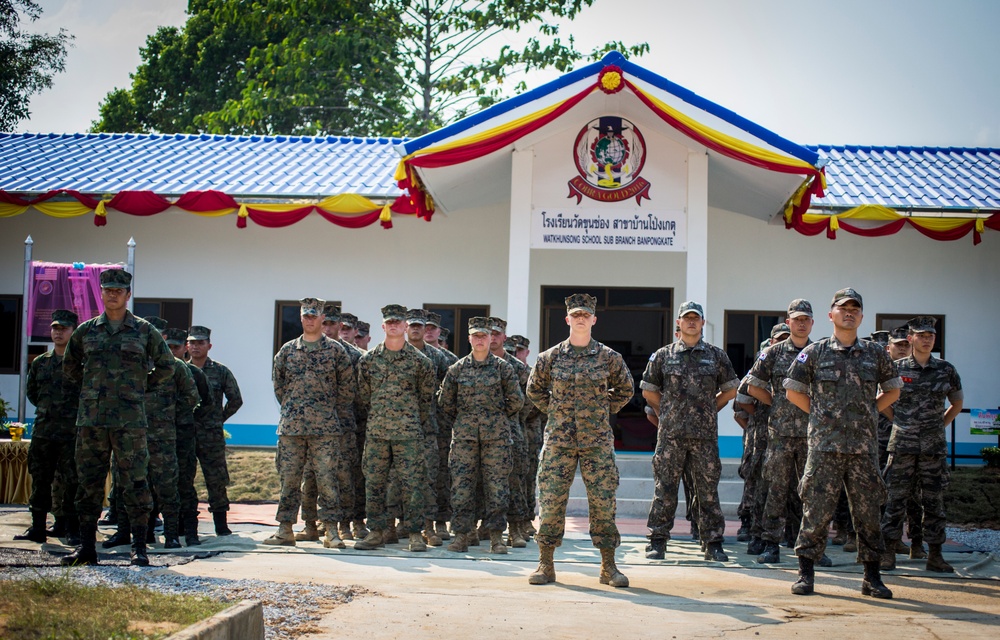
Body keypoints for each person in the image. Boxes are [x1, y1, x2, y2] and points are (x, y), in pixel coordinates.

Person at [784, 287, 902, 598]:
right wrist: (821, 416)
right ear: (831, 314)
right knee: (816, 510)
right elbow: (792, 391)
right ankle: (806, 573)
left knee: (868, 512)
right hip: (824, 448)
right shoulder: (816, 352)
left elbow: (893, 391)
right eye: (843, 307)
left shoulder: (876, 354)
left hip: (863, 449)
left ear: (861, 316)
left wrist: (867, 412)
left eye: (855, 308)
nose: (849, 312)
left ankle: (872, 577)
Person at [61, 268, 176, 566]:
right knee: (88, 482)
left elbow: (166, 366)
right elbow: (70, 366)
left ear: (128, 294)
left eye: (118, 290)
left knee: (135, 482)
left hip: (130, 422)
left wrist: (138, 388)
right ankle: (87, 546)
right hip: (92, 421)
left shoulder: (144, 331)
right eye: (107, 289)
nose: (112, 294)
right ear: (101, 292)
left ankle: (139, 547)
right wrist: (91, 390)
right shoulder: (86, 331)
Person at [526, 293, 633, 588]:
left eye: (586, 315)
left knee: (603, 502)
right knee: (550, 501)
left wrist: (601, 408)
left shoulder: (609, 358)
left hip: (596, 441)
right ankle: (545, 564)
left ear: (594, 319)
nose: (581, 319)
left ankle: (608, 567)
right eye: (576, 315)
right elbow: (534, 390)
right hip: (559, 441)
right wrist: (557, 410)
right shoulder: (549, 358)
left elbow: (625, 389)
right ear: (568, 319)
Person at [642, 301, 738, 563]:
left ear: (703, 323)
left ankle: (713, 543)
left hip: (704, 437)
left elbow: (730, 390)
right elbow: (649, 391)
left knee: (707, 490)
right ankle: (658, 540)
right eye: (687, 318)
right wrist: (668, 414)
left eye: (696, 318)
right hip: (670, 437)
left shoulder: (717, 356)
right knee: (665, 488)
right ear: (679, 323)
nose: (692, 322)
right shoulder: (663, 356)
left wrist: (708, 409)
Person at [265, 298, 354, 548]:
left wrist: (324, 410)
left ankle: (331, 531)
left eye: (314, 316)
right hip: (292, 428)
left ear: (321, 318)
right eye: (306, 316)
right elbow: (279, 387)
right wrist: (296, 409)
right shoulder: (287, 351)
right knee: (290, 479)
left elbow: (347, 390)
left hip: (325, 430)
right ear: (301, 318)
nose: (310, 320)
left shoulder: (336, 351)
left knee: (328, 480)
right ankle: (285, 529)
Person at [880, 316, 963, 573]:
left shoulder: (946, 369)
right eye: (921, 335)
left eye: (931, 336)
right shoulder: (896, 368)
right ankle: (888, 552)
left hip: (933, 447)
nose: (927, 340)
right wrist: (900, 423)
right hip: (902, 444)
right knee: (895, 500)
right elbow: (881, 402)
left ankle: (935, 555)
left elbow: (957, 403)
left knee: (934, 501)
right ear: (910, 339)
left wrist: (939, 426)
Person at [354, 304, 436, 552]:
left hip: (408, 433)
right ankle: (376, 531)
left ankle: (414, 533)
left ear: (405, 326)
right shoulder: (368, 361)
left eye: (398, 322)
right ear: (383, 326)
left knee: (413, 484)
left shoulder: (420, 362)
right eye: (389, 322)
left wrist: (409, 419)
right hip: (377, 432)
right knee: (374, 484)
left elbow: (425, 399)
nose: (393, 326)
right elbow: (364, 395)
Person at [437, 316, 524, 553]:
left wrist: (495, 417)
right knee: (462, 489)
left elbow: (516, 400)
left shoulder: (503, 368)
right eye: (475, 336)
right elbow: (445, 403)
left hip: (496, 439)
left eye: (484, 336)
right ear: (469, 339)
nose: (480, 340)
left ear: (490, 338)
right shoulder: (456, 370)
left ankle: (496, 536)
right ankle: (462, 536)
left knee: (497, 488)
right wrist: (464, 420)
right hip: (464, 439)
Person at [748, 300, 815, 565]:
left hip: (813, 433)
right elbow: (753, 386)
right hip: (781, 434)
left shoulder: (819, 352)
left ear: (812, 323)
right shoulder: (773, 353)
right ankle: (770, 544)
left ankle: (809, 546)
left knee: (811, 492)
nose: (800, 323)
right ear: (788, 322)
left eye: (805, 319)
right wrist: (776, 402)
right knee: (775, 490)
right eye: (796, 319)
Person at [16, 309, 81, 546]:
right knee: (41, 480)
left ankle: (71, 528)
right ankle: (37, 527)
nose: (58, 332)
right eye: (55, 327)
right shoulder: (41, 363)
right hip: (44, 432)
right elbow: (33, 393)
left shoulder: (81, 364)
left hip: (72, 433)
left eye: (64, 328)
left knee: (72, 482)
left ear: (74, 332)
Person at [186, 324, 242, 536]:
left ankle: (220, 523)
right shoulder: (181, 369)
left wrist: (219, 418)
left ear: (209, 345)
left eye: (200, 343)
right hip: (186, 434)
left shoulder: (220, 371)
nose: (196, 347)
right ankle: (187, 523)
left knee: (216, 479)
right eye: (192, 342)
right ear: (187, 345)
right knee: (184, 479)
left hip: (211, 435)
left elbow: (236, 399)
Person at [163, 327, 214, 546]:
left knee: (185, 485)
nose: (172, 351)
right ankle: (167, 534)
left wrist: (188, 418)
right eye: (168, 347)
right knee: (159, 485)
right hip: (158, 438)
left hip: (183, 437)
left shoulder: (194, 373)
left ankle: (191, 533)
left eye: (176, 347)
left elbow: (207, 402)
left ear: (184, 348)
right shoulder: (154, 371)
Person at [489, 316, 533, 548]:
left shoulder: (518, 368)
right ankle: (486, 528)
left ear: (503, 337)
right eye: (490, 333)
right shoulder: (476, 364)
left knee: (515, 482)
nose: (493, 337)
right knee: (483, 482)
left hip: (511, 433)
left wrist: (512, 421)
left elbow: (530, 401)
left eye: (497, 334)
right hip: (483, 435)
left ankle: (516, 529)